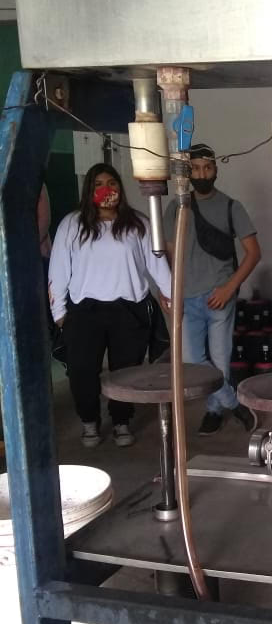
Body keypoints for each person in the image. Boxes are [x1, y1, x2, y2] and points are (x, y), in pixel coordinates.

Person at [49, 163, 171, 448]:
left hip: (129, 309)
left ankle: (121, 421)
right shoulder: (72, 224)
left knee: (125, 372)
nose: (107, 189)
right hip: (84, 312)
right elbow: (58, 269)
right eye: (99, 184)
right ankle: (89, 422)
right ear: (89, 190)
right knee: (82, 371)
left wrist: (171, 295)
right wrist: (59, 313)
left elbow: (157, 264)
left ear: (120, 188)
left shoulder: (138, 223)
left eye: (112, 183)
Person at [163, 143, 260, 436]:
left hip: (220, 296)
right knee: (192, 362)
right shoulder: (176, 207)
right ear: (187, 172)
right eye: (195, 168)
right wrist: (167, 292)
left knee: (220, 363)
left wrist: (229, 288)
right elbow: (169, 255)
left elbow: (253, 253)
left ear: (216, 169)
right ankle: (235, 404)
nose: (202, 174)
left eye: (207, 167)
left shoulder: (231, 206)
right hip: (186, 297)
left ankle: (214, 410)